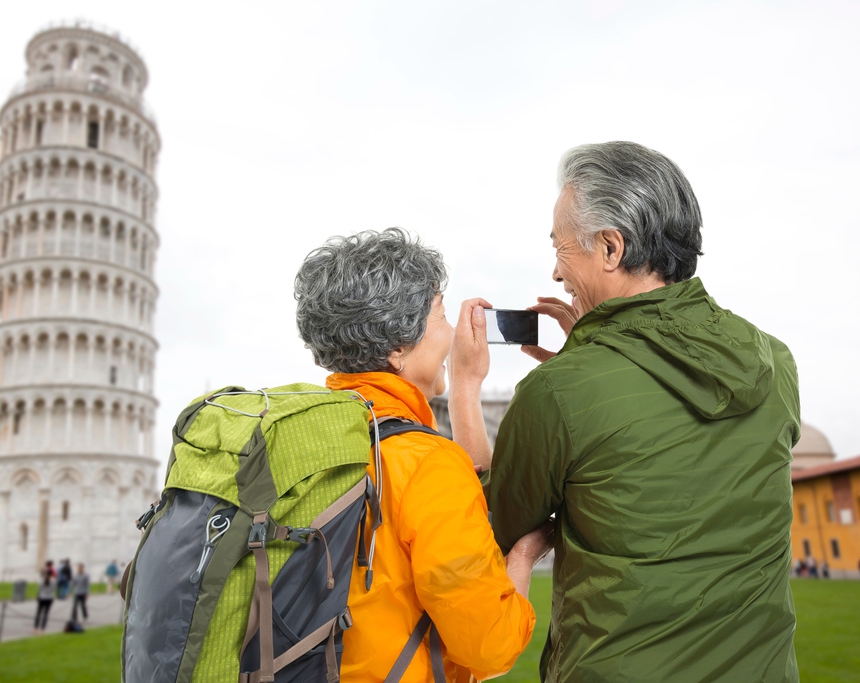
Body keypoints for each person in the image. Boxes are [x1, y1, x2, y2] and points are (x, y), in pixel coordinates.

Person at [450, 141, 801, 682]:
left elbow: (483, 525)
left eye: (560, 247)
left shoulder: (559, 392)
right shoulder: (775, 362)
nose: (555, 272)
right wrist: (596, 353)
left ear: (610, 248)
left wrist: (464, 387)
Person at [295, 228, 551, 682]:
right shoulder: (426, 464)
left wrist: (463, 387)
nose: (453, 332)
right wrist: (524, 557)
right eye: (440, 314)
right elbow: (491, 645)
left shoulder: (300, 442)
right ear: (397, 348)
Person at [33, 566, 56, 634]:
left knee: (38, 613)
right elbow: (53, 590)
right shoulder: (53, 581)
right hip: (49, 598)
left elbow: (39, 589)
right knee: (46, 614)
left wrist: (37, 596)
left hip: (42, 597)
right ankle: (43, 629)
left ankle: (35, 628)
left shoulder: (42, 580)